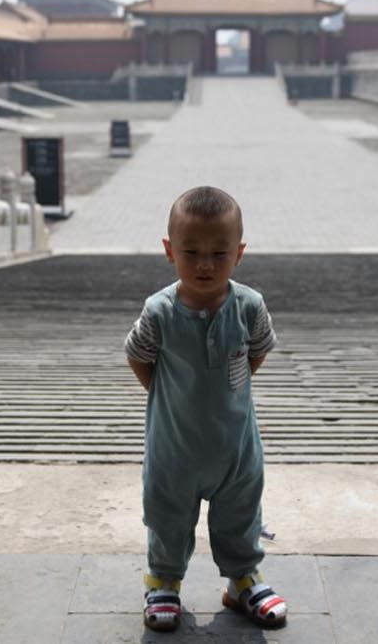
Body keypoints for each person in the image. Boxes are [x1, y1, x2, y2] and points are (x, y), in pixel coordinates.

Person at [123, 186, 287, 632]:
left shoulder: (249, 305)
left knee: (240, 512)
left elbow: (258, 351)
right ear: (168, 250)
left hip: (235, 445)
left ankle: (242, 580)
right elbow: (138, 355)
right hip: (173, 446)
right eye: (190, 252)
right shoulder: (159, 311)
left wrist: (231, 387)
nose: (204, 264)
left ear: (240, 253)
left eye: (220, 253)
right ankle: (164, 582)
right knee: (168, 514)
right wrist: (165, 395)